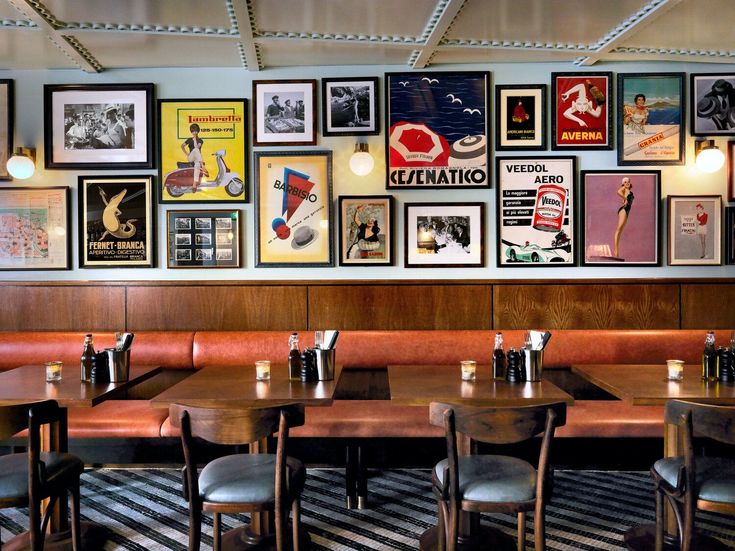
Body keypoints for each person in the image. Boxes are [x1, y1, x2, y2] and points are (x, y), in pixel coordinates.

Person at [613, 177, 634, 258]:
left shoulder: (629, 191)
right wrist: (625, 198)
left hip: (627, 210)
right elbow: (618, 192)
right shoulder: (623, 189)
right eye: (625, 182)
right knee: (618, 230)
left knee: (620, 231)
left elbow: (629, 199)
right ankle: (616, 250)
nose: (627, 183)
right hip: (624, 210)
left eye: (628, 181)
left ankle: (617, 251)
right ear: (623, 184)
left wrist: (625, 199)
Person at [180, 123, 205, 192]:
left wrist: (195, 141)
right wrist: (187, 154)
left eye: (196, 131)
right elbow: (182, 146)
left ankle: (194, 185)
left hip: (197, 159)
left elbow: (197, 147)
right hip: (191, 158)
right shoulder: (189, 139)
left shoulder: (200, 140)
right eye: (193, 131)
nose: (194, 132)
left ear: (198, 131)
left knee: (197, 164)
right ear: (191, 131)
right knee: (195, 150)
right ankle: (203, 166)